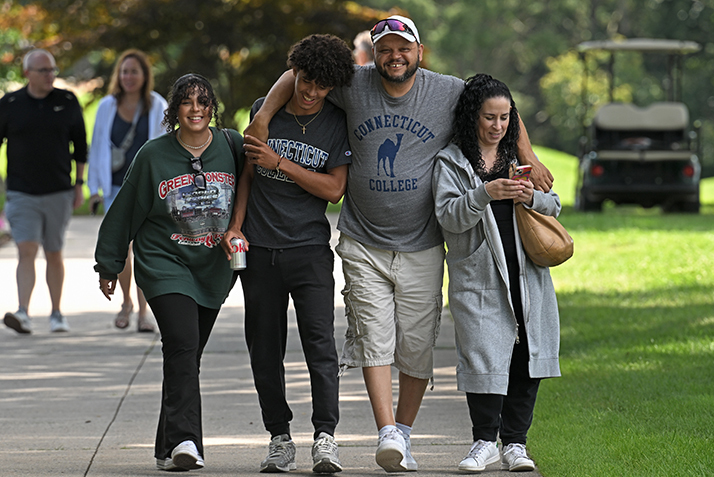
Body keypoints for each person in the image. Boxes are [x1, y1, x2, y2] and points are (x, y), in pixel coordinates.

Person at [246, 15, 553, 473]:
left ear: (419, 51)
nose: (395, 56)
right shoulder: (354, 82)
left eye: (403, 48)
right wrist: (263, 117)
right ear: (374, 52)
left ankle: (404, 434)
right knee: (373, 336)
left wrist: (525, 152)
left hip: (424, 240)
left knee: (416, 345)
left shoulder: (445, 90)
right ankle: (387, 431)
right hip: (363, 238)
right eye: (385, 48)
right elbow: (297, 74)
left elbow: (497, 99)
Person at [94, 73, 244, 472]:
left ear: (212, 108)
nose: (196, 109)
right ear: (174, 109)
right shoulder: (153, 155)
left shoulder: (233, 147)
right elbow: (125, 211)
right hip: (164, 263)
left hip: (212, 268)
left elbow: (255, 192)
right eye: (187, 102)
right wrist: (108, 264)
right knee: (181, 344)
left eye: (203, 102)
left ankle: (166, 446)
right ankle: (186, 441)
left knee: (187, 355)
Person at [220, 34, 354, 474]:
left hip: (310, 250)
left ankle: (325, 438)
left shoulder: (337, 121)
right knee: (264, 349)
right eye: (306, 80)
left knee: (321, 347)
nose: (311, 91)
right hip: (259, 249)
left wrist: (283, 164)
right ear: (294, 73)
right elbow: (247, 176)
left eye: (322, 85)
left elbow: (334, 189)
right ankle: (279, 438)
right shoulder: (266, 110)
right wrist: (236, 225)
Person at [432, 74, 561, 473]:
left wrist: (532, 196)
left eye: (505, 117)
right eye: (490, 117)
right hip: (480, 277)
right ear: (473, 116)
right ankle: (484, 441)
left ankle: (516, 445)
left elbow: (554, 206)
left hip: (527, 275)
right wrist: (484, 193)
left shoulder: (517, 162)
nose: (498, 126)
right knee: (483, 355)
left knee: (527, 354)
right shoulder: (451, 162)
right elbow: (448, 217)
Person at [0, 49, 87, 334]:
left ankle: (57, 313)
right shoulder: (10, 103)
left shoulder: (67, 100)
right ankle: (23, 312)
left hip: (59, 190)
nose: (50, 75)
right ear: (27, 74)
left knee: (53, 251)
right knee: (26, 249)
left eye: (52, 70)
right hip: (22, 191)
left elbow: (80, 146)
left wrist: (79, 184)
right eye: (43, 71)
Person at [88, 49, 168, 332]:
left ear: (145, 75)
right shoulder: (106, 106)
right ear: (118, 76)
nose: (129, 77)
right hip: (114, 189)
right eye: (124, 71)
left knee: (144, 249)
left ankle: (144, 312)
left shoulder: (157, 106)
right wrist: (93, 188)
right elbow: (97, 147)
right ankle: (126, 302)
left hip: (146, 189)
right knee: (123, 248)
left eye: (134, 71)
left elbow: (166, 149)